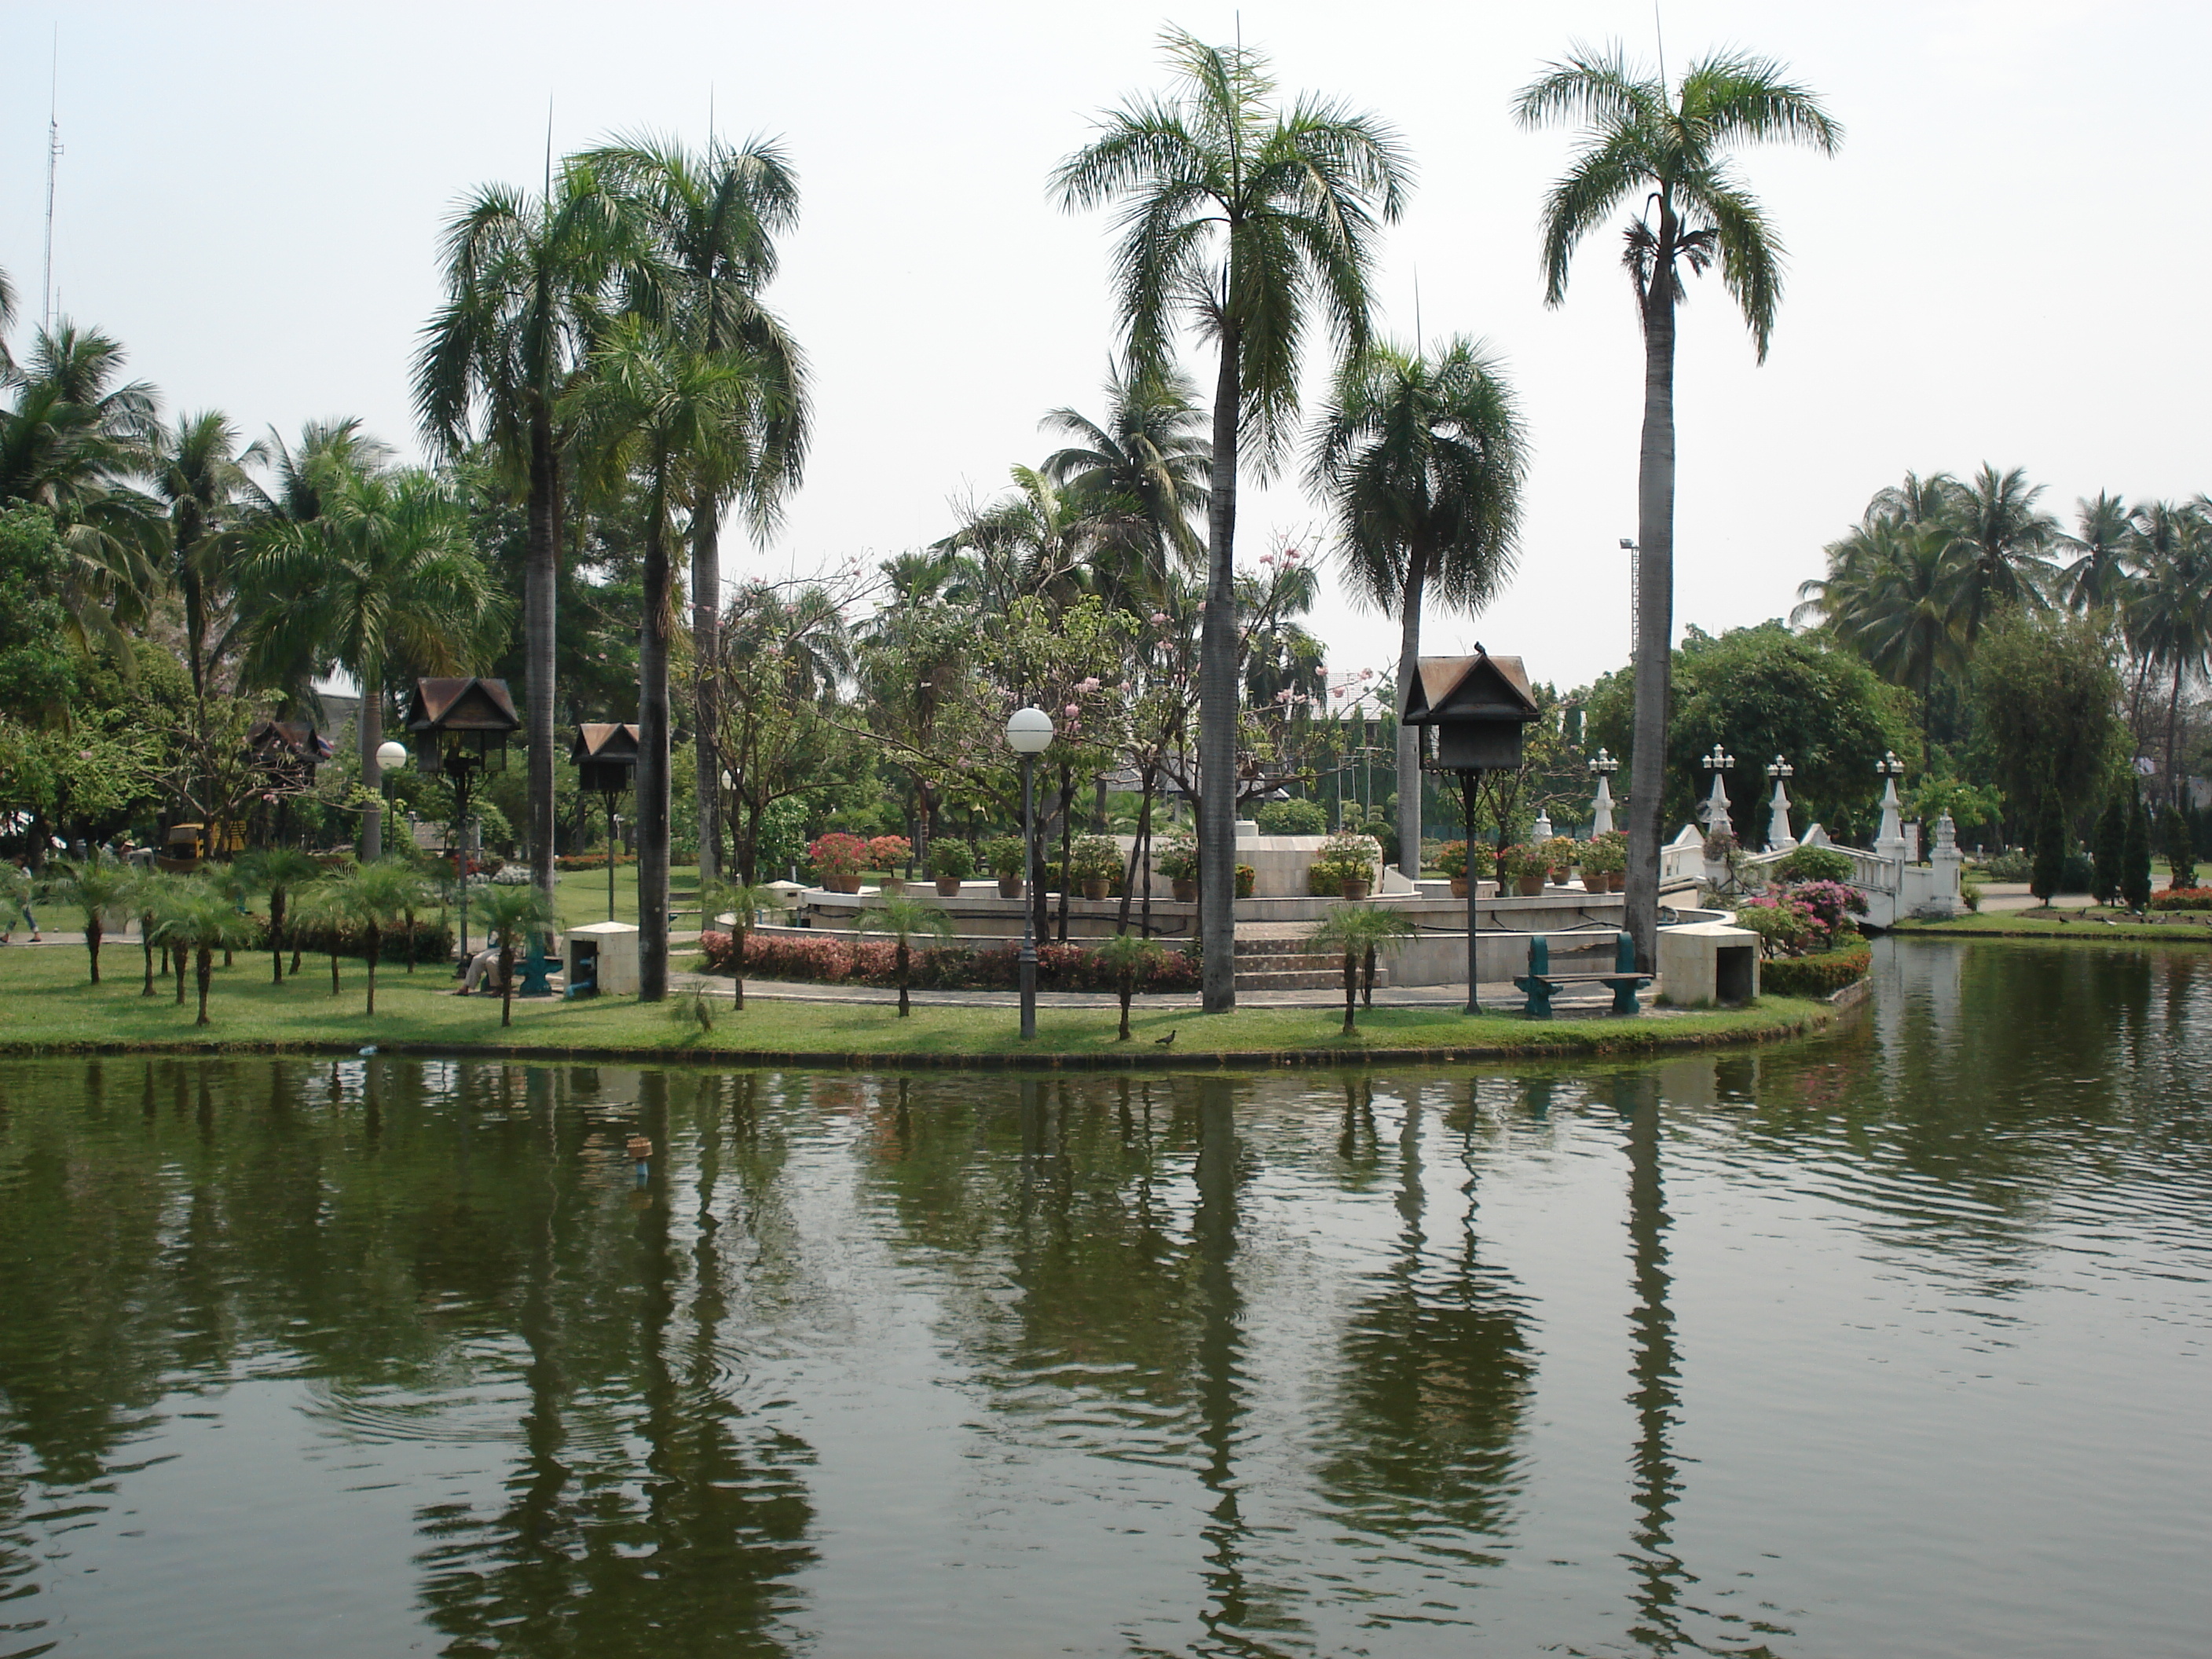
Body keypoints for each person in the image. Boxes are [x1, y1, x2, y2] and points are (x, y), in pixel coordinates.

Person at [1, 860, 38, 945]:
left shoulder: (24, 871)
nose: (16, 862)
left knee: (17, 914)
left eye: (18, 860)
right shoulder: (17, 871)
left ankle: (7, 935)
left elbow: (28, 882)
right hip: (20, 895)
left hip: (24, 896)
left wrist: (24, 893)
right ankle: (36, 933)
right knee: (25, 914)